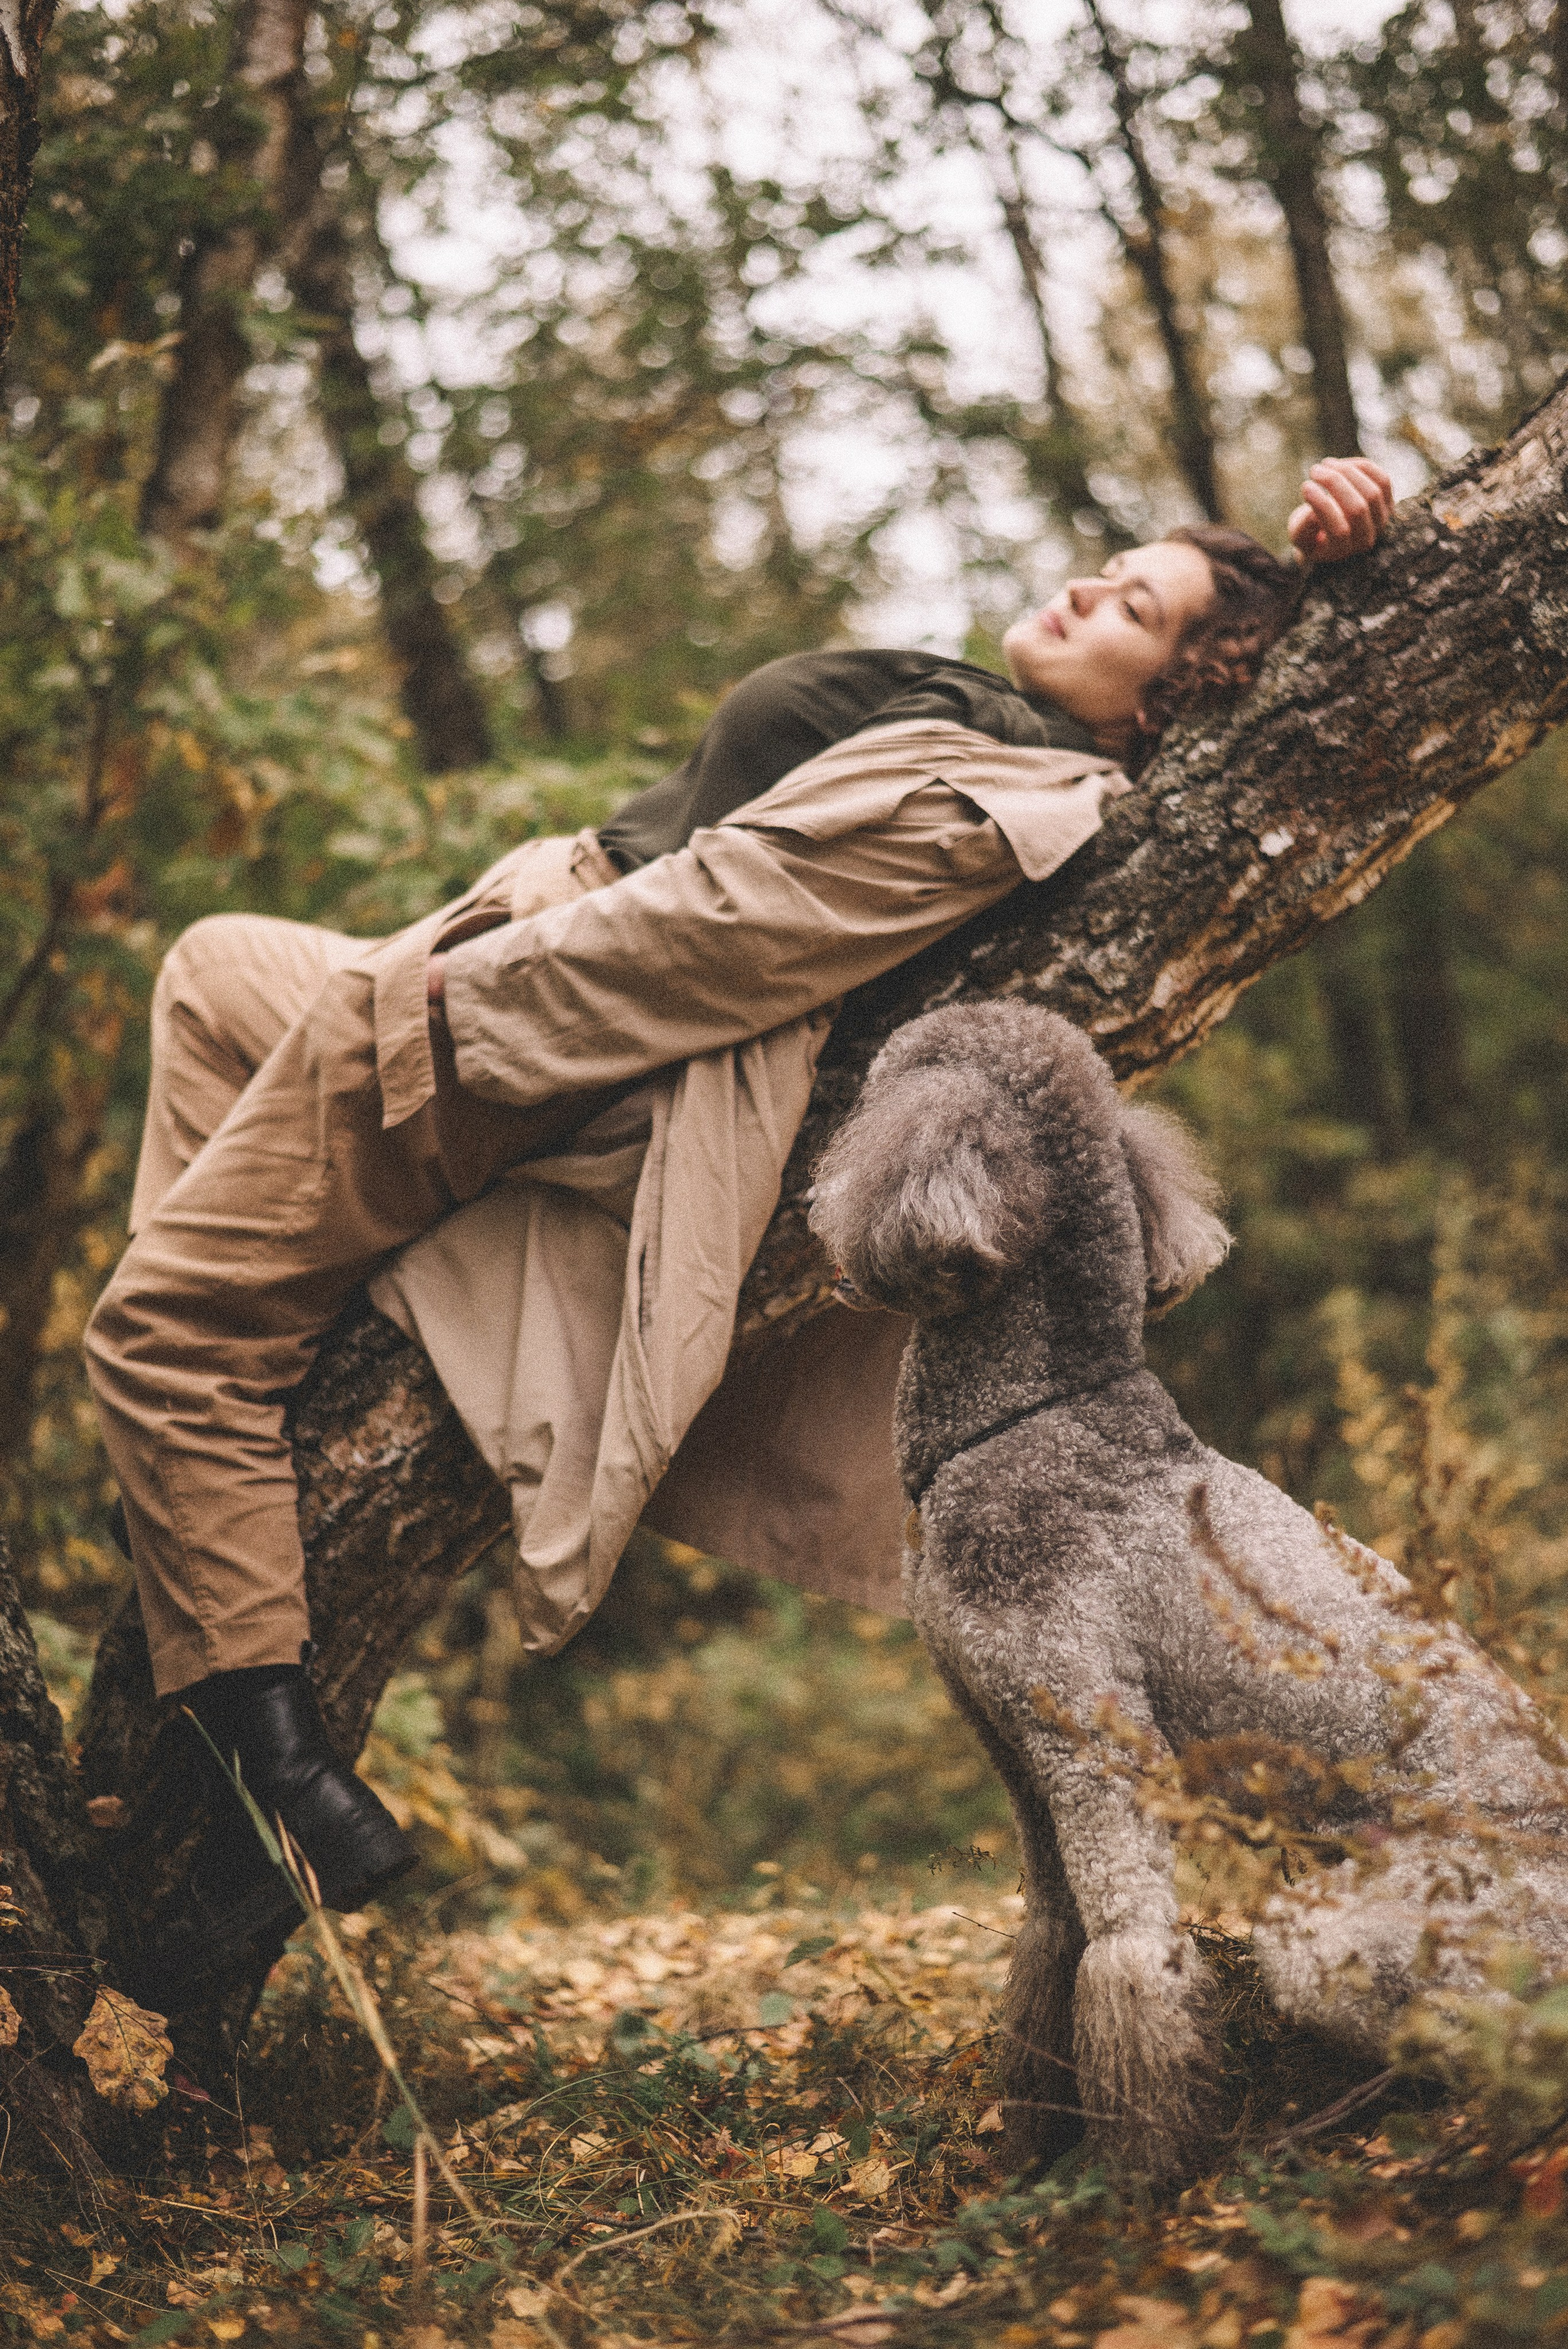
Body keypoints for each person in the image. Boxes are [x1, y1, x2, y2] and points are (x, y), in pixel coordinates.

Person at [85, 458, 1393, 1964]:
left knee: (161, 1336)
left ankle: (277, 1779)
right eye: (1110, 568)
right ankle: (231, 1453)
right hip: (522, 933)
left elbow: (714, 935)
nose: (1088, 587)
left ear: (1171, 703)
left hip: (528, 1004)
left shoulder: (1008, 800)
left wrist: (437, 1012)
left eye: (1134, 611)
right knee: (216, 969)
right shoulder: (990, 724)